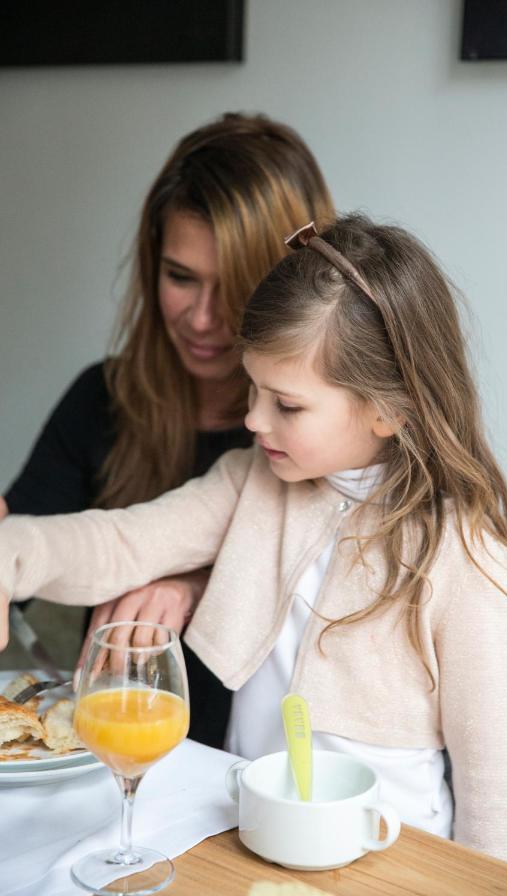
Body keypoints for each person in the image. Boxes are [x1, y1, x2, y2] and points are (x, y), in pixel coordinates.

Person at [0, 214, 507, 866]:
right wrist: (11, 556)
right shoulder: (250, 480)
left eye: (286, 404)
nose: (252, 419)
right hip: (244, 834)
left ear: (388, 409)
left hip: (390, 861)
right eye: (252, 390)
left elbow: (493, 785)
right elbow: (121, 543)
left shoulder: (466, 554)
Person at [0, 112, 335, 747]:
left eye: (234, 288)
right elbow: (35, 553)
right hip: (112, 774)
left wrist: (197, 585)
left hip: (272, 780)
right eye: (180, 277)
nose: (204, 318)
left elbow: (337, 591)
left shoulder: (316, 434)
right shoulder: (100, 400)